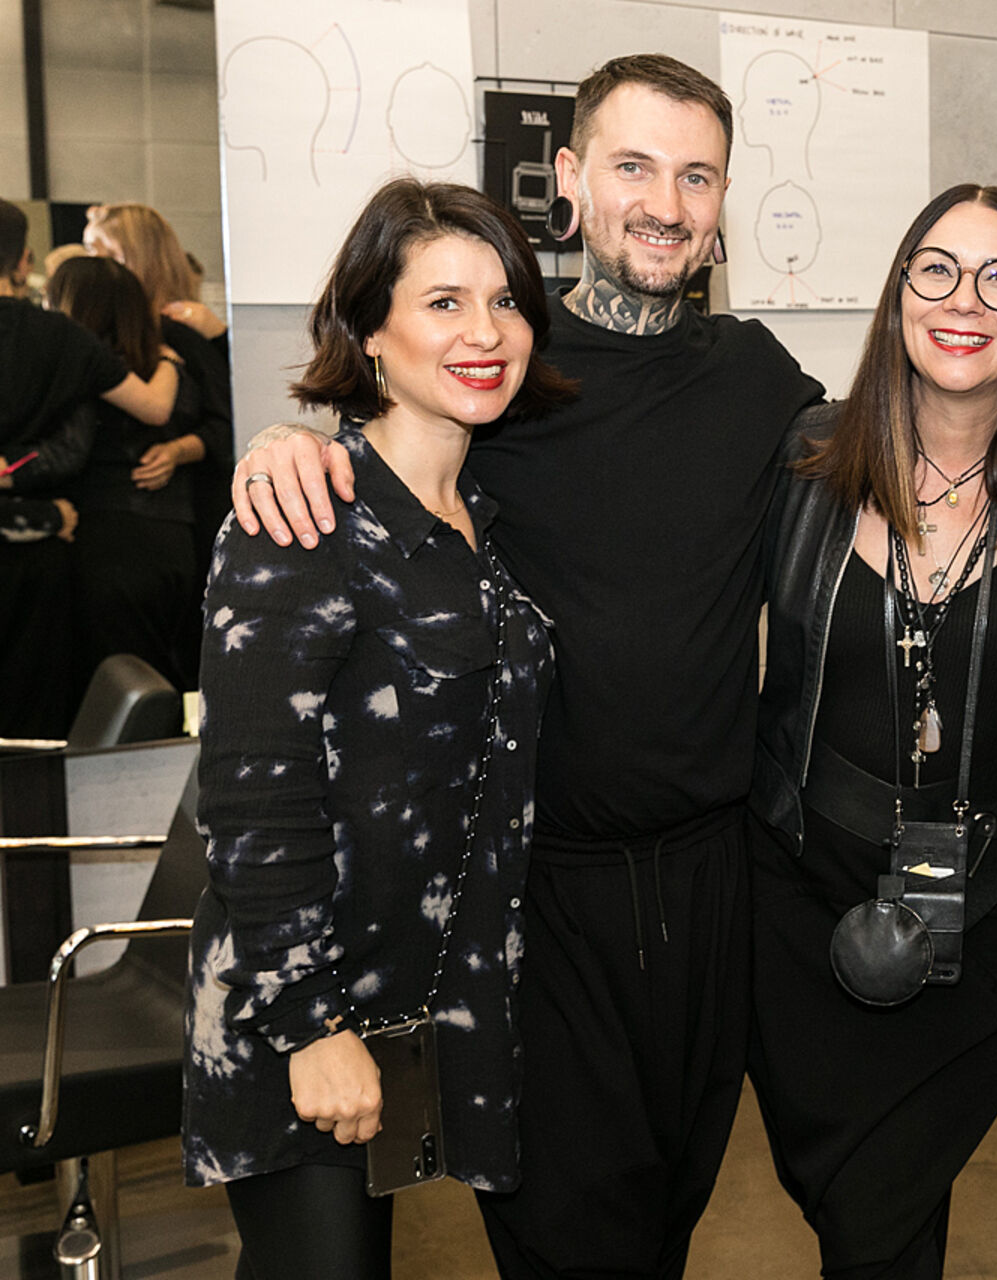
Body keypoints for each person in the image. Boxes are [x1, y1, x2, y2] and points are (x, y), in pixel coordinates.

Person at [230, 54, 824, 1279]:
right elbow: (381, 464)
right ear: (570, 179)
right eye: (633, 166)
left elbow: (897, 453)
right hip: (538, 895)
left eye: (697, 175)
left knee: (668, 1217)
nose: (666, 202)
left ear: (723, 198)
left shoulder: (758, 378)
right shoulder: (508, 383)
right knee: (571, 1234)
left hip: (714, 887)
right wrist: (289, 439)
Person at [182, 177, 569, 1279]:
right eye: (444, 302)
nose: (485, 332)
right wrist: (310, 1026)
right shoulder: (304, 516)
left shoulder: (481, 522)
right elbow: (252, 796)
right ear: (369, 333)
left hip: (417, 1009)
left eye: (505, 301)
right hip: (300, 1017)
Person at [750, 183, 997, 1278]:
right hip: (799, 907)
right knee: (862, 1222)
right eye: (936, 270)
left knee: (885, 1214)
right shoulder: (803, 462)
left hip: (981, 917)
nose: (963, 300)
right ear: (897, 299)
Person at [0, 197, 180, 736]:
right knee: (32, 731)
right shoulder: (63, 337)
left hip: (38, 531)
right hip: (37, 559)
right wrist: (169, 359)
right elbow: (154, 407)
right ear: (23, 261)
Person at [46, 255, 206, 694]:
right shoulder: (170, 367)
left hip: (107, 540)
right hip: (175, 541)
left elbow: (68, 453)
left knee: (115, 689)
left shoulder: (83, 368)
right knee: (162, 679)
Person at [86, 201, 235, 604]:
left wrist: (178, 451)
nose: (93, 266)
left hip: (186, 520)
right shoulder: (101, 338)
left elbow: (225, 425)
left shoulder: (181, 333)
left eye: (103, 253)